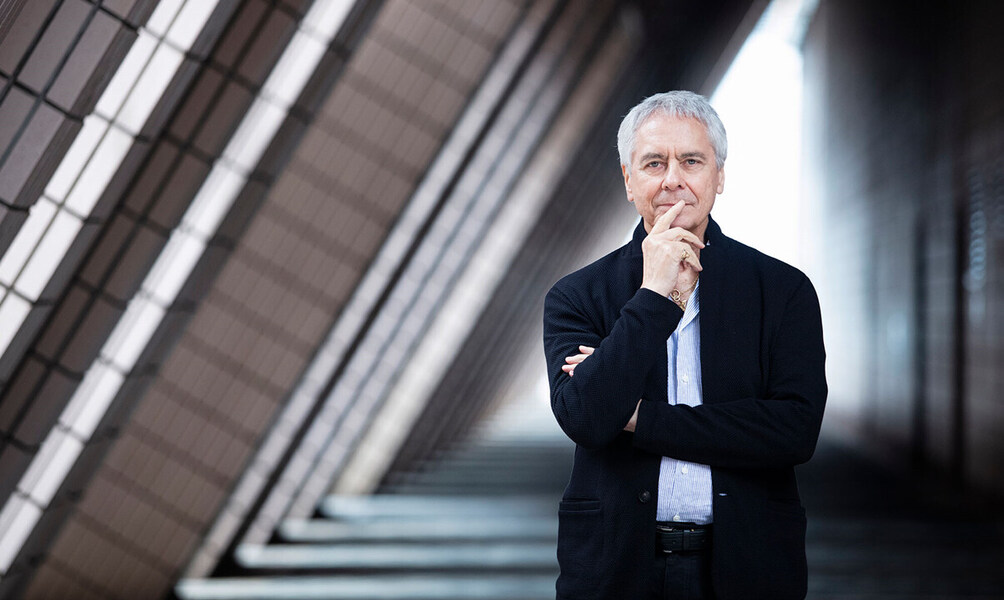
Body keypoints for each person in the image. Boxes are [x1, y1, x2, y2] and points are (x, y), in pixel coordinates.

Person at [542, 90, 826, 600]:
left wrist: (638, 418)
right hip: (615, 569)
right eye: (654, 163)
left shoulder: (784, 292)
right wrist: (653, 296)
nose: (673, 178)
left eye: (691, 161)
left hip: (749, 566)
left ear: (719, 176)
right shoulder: (577, 296)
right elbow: (585, 417)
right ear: (629, 180)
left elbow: (793, 431)